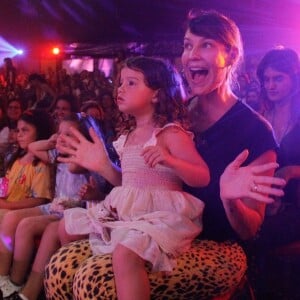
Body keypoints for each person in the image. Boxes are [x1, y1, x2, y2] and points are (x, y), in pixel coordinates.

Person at [44, 10, 286, 300]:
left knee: (93, 280)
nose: (192, 55)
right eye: (187, 45)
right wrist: (104, 167)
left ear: (231, 56)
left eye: (206, 45)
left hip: (217, 246)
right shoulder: (173, 114)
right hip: (154, 232)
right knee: (61, 266)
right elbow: (146, 185)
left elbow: (250, 231)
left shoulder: (256, 132)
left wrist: (229, 199)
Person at [57, 56, 210, 300]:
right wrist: (104, 166)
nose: (120, 89)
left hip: (159, 216)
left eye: (131, 83)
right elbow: (127, 183)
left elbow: (202, 176)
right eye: (120, 83)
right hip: (128, 210)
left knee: (126, 253)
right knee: (66, 226)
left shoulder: (170, 133)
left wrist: (171, 161)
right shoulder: (127, 135)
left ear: (156, 94)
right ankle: (80, 289)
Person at [0, 114, 92, 299]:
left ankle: (23, 288)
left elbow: (75, 169)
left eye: (68, 134)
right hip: (54, 207)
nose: (61, 138)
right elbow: (33, 147)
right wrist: (53, 141)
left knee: (31, 226)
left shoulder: (84, 161)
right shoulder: (57, 156)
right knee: (10, 218)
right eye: (59, 133)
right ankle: (7, 279)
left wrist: (68, 145)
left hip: (72, 210)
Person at [252, 47, 300, 297]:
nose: (270, 85)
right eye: (266, 79)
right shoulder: (260, 116)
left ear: (294, 77)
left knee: (257, 237)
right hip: (268, 201)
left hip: (296, 203)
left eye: (278, 78)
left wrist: (292, 170)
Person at [0, 109, 54, 222]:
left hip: (19, 212)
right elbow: (5, 182)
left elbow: (39, 200)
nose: (19, 134)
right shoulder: (15, 160)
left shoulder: (41, 165)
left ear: (40, 132)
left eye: (25, 130)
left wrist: (7, 205)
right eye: (18, 130)